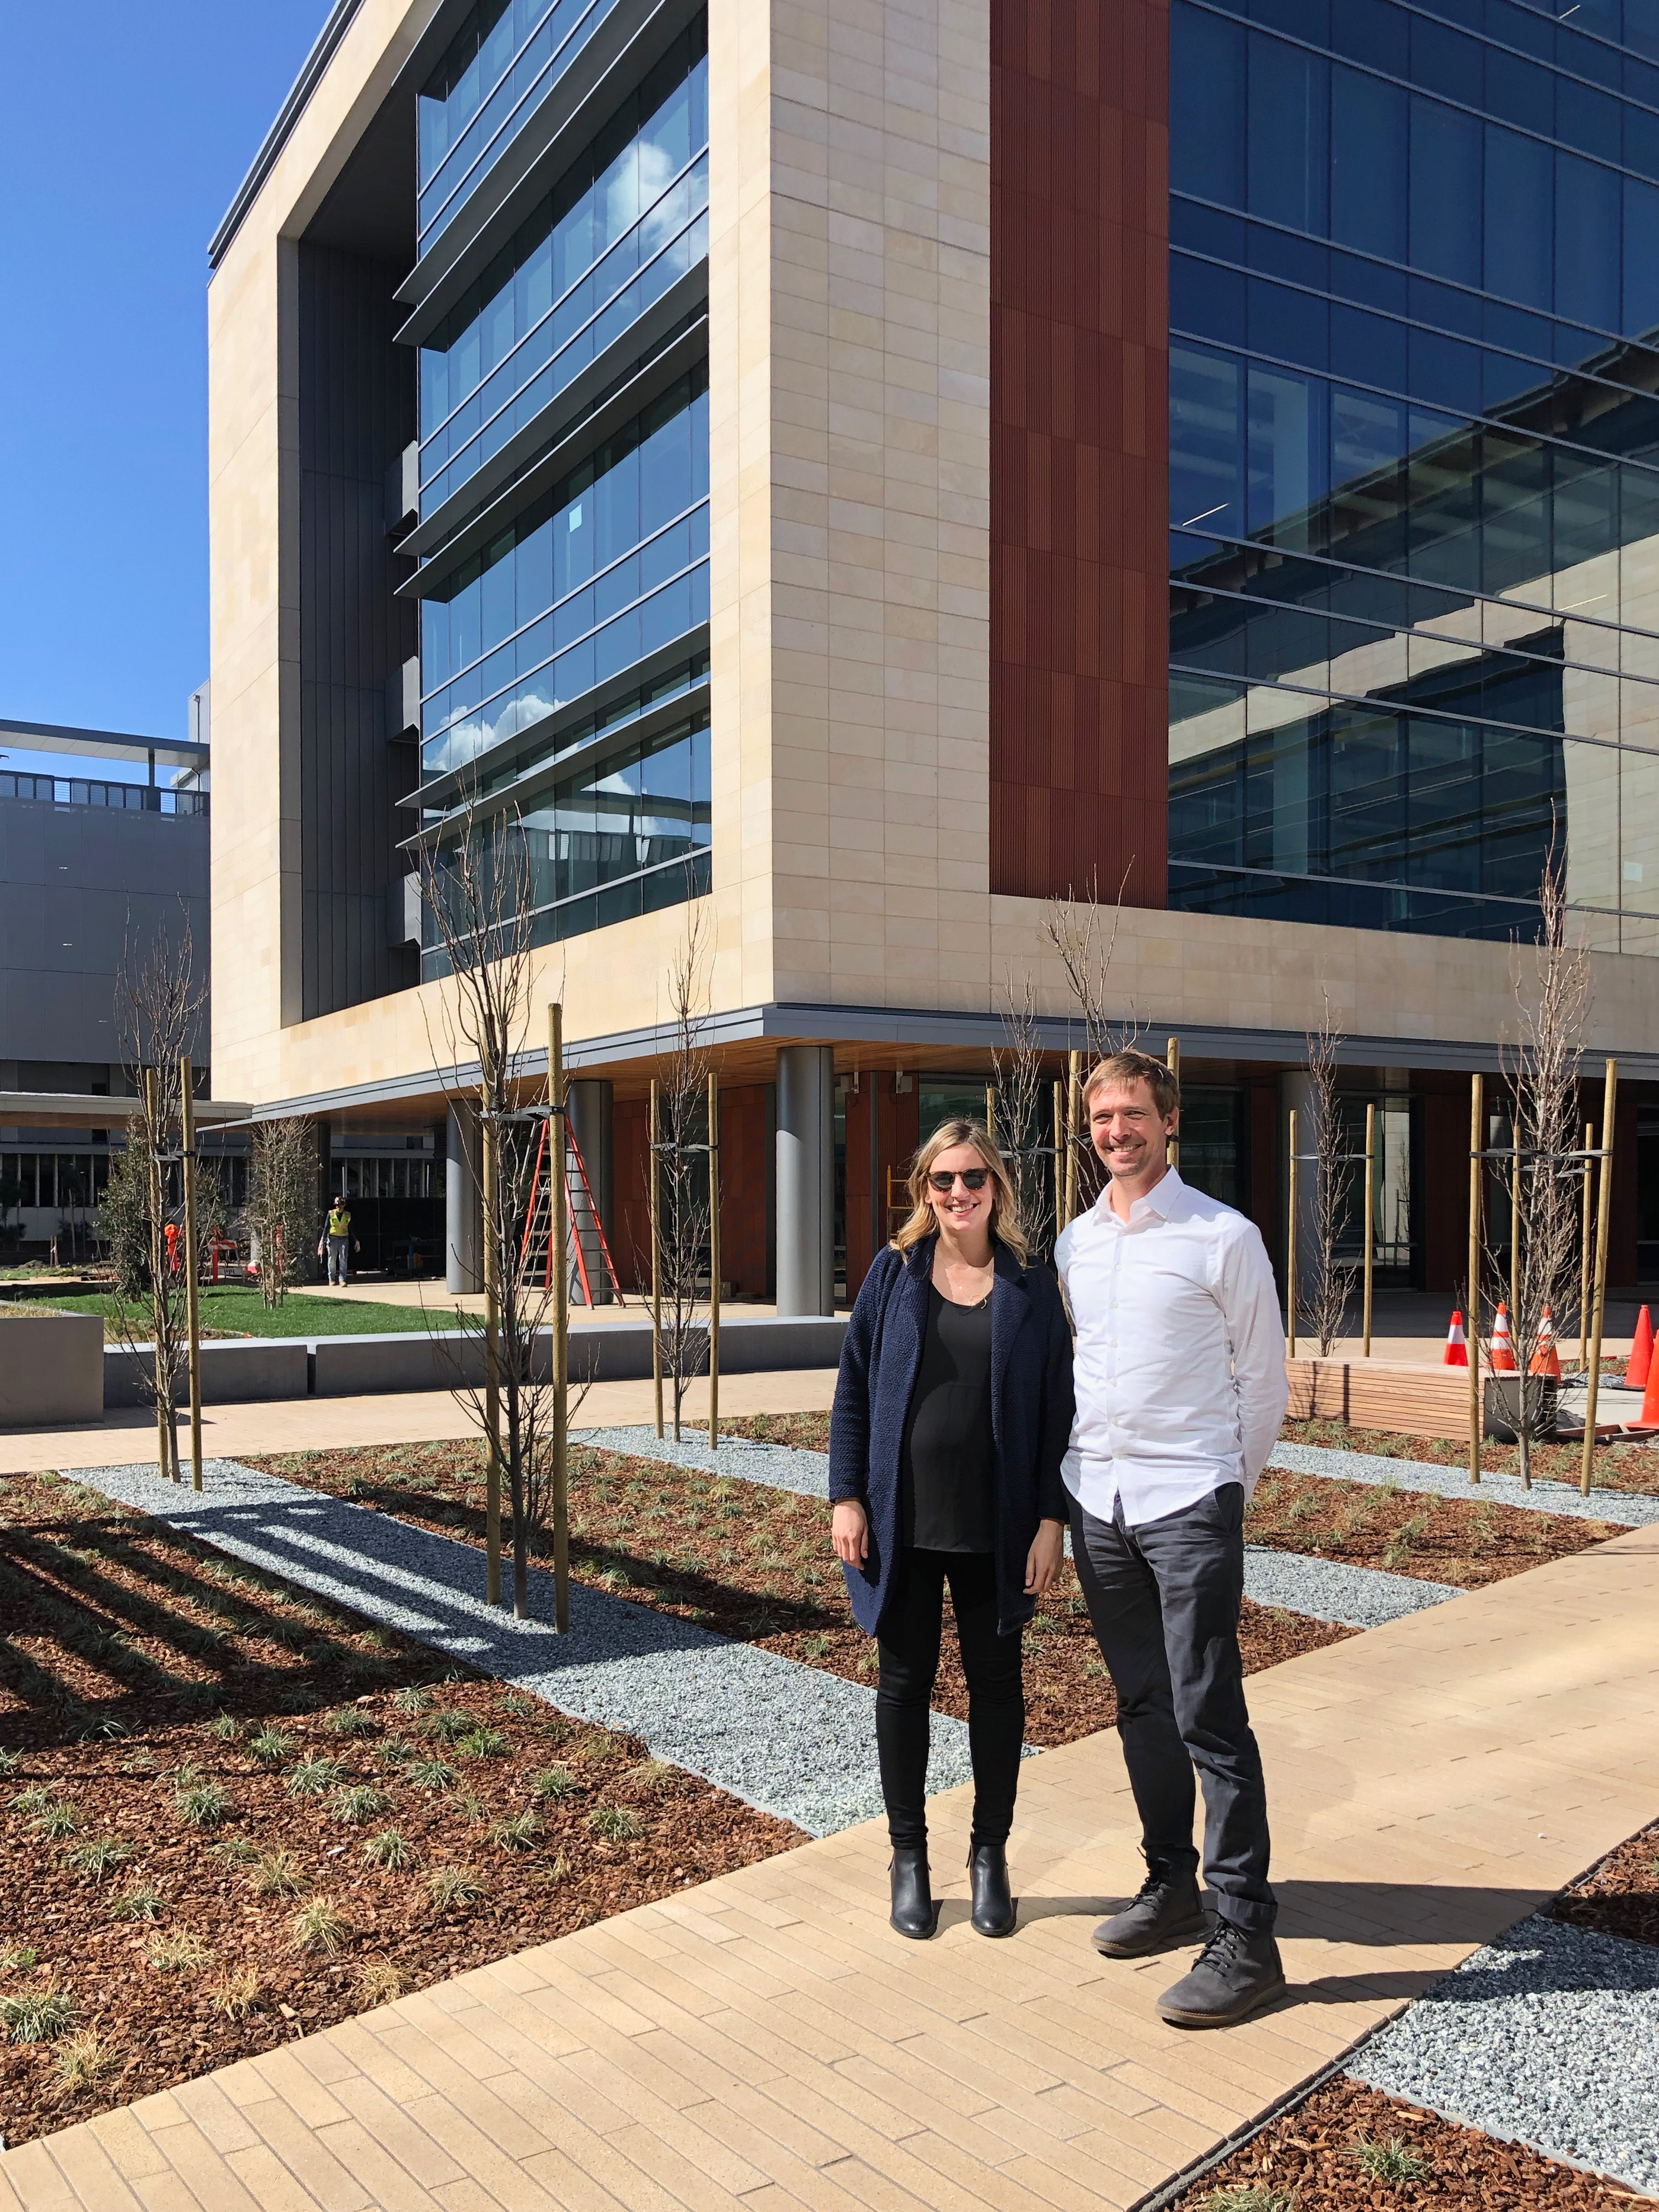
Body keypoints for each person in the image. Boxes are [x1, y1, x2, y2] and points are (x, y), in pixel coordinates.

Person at [1056, 1048, 1289, 2029]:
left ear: (1168, 1121)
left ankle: (1246, 1940)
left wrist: (1223, 1488)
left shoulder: (1220, 1236)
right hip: (1097, 1502)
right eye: (1101, 1118)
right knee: (1140, 1707)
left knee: (1207, 1714)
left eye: (1132, 1114)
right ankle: (1170, 1886)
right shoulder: (1073, 1243)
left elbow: (1262, 1382)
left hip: (1187, 1499)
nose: (1116, 1132)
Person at [830, 1119, 1073, 1941]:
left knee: (995, 1690)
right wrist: (847, 1496)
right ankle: (909, 1859)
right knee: (902, 1688)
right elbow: (853, 1389)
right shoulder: (893, 1273)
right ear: (924, 1190)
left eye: (973, 1178)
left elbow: (1058, 1409)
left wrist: (1051, 1519)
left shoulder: (1031, 1284)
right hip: (902, 1520)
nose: (959, 1193)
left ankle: (988, 1855)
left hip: (996, 1524)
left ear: (996, 1186)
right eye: (944, 1180)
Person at [320, 1196, 357, 1286]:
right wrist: (322, 1240)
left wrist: (356, 1240)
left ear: (344, 1205)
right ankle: (332, 1279)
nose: (339, 1207)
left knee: (343, 1259)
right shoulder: (331, 1214)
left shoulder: (347, 1215)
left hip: (344, 1239)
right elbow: (326, 1227)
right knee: (332, 1260)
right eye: (338, 1205)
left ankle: (342, 1279)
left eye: (341, 1205)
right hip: (332, 1239)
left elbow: (351, 1228)